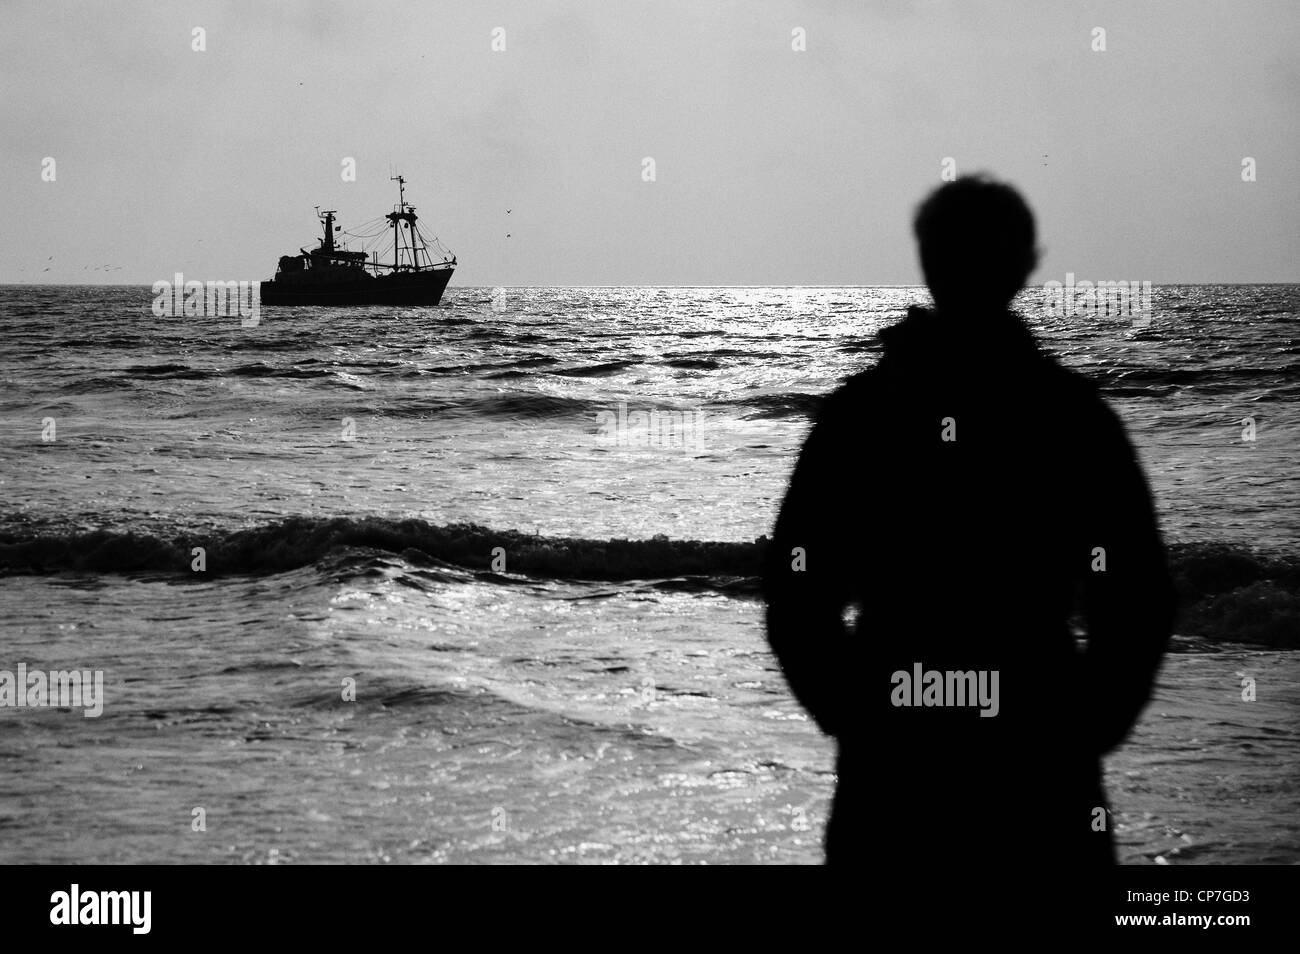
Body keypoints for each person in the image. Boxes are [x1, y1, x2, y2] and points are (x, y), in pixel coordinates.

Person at [761, 175, 1175, 866]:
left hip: (897, 770)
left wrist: (858, 715)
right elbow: (1137, 595)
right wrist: (1085, 725)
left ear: (927, 262)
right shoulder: (1071, 417)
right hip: (1034, 763)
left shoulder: (861, 415)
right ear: (1028, 264)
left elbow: (796, 590)